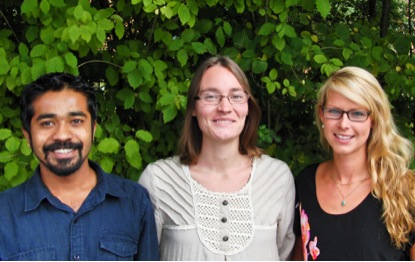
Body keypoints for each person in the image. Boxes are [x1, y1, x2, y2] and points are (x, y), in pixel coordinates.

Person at [139, 55, 295, 260]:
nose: (225, 107)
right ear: (194, 108)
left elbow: (285, 253)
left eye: (236, 96)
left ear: (248, 106)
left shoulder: (277, 178)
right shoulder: (159, 180)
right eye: (211, 96)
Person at [0, 73, 159, 260]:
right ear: (27, 136)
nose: (62, 135)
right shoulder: (4, 213)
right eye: (47, 123)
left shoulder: (134, 202)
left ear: (93, 130)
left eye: (76, 121)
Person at [292, 66, 415, 260]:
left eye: (357, 114)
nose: (343, 124)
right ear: (321, 114)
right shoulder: (305, 183)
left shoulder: (405, 189)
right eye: (334, 111)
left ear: (374, 119)